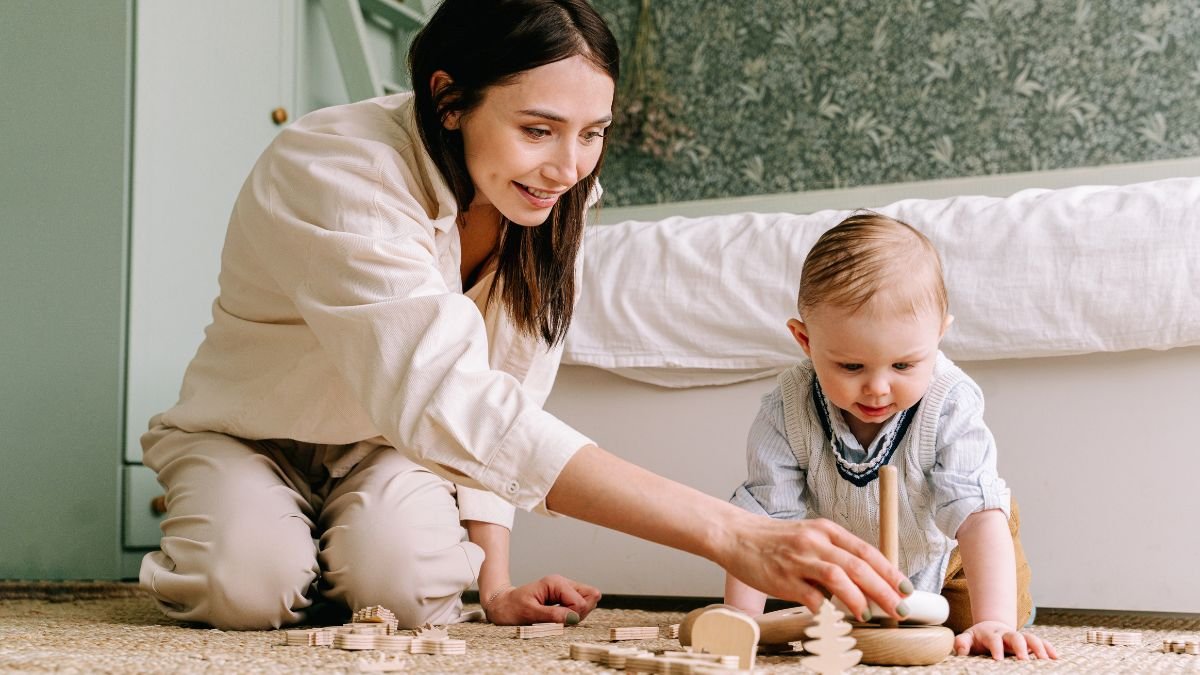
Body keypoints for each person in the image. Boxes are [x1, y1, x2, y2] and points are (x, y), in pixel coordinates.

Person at [138, 0, 910, 632]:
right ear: (449, 100)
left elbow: (506, 388)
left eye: (592, 134)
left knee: (410, 594)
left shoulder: (555, 199)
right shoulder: (335, 169)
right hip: (249, 431)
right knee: (243, 585)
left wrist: (496, 583)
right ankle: (277, 541)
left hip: (384, 448)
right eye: (538, 129)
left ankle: (342, 552)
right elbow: (449, 397)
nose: (568, 167)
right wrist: (732, 530)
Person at [725, 212, 1058, 660]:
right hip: (852, 563)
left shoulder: (951, 400)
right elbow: (761, 526)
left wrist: (994, 621)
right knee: (813, 617)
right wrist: (740, 624)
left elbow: (976, 516)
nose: (878, 388)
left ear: (938, 336)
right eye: (851, 366)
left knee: (971, 625)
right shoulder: (787, 408)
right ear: (805, 341)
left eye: (903, 365)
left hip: (953, 549)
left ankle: (1000, 611)